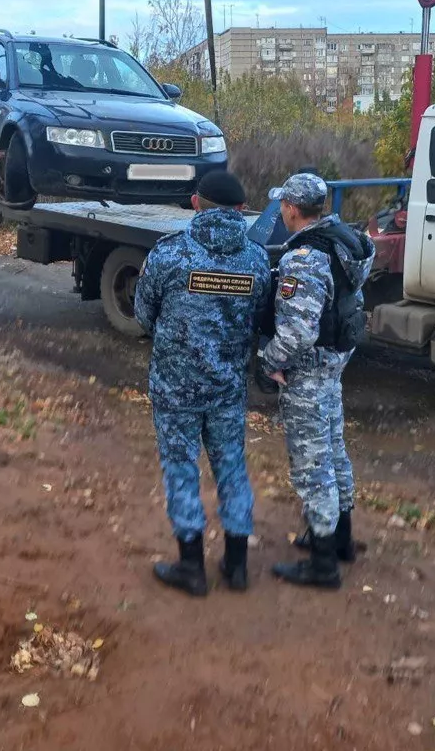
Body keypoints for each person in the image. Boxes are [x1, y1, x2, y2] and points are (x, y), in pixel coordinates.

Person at [134, 170, 271, 596]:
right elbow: (260, 316)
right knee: (232, 468)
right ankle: (236, 566)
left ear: (197, 203)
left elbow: (143, 314)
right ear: (238, 209)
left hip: (176, 391)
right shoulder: (256, 259)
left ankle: (191, 567)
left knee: (180, 469)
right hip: (228, 389)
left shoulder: (169, 254)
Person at [260, 173, 374, 590]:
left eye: (283, 205)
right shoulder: (347, 243)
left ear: (290, 209)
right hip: (335, 363)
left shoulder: (303, 259)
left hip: (307, 369)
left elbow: (297, 333)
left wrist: (267, 362)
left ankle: (323, 563)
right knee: (334, 447)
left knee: (312, 464)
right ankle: (341, 538)